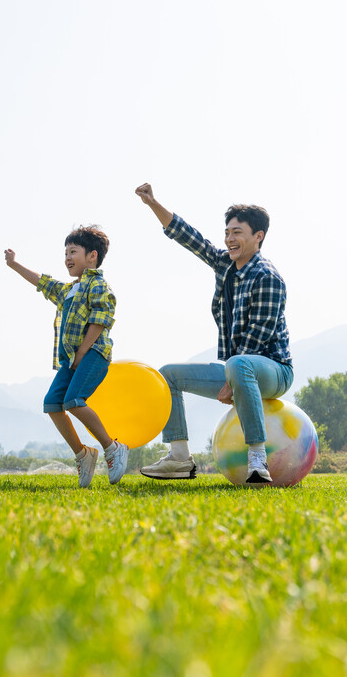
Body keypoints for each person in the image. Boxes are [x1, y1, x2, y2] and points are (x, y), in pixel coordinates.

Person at [134, 183, 293, 483]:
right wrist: (153, 203)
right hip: (239, 369)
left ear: (258, 236)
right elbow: (189, 237)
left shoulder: (268, 278)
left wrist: (233, 382)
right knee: (167, 374)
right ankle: (180, 458)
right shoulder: (225, 264)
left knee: (237, 363)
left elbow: (256, 341)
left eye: (238, 232)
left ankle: (258, 460)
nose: (230, 239)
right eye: (227, 232)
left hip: (274, 371)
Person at [5, 225, 129, 488]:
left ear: (92, 256)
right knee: (52, 403)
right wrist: (15, 265)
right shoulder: (68, 290)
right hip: (72, 359)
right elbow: (43, 281)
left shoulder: (97, 284)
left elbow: (100, 320)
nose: (67, 258)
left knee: (74, 401)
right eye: (65, 253)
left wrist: (82, 352)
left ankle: (113, 447)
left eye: (73, 251)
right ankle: (83, 454)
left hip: (93, 353)